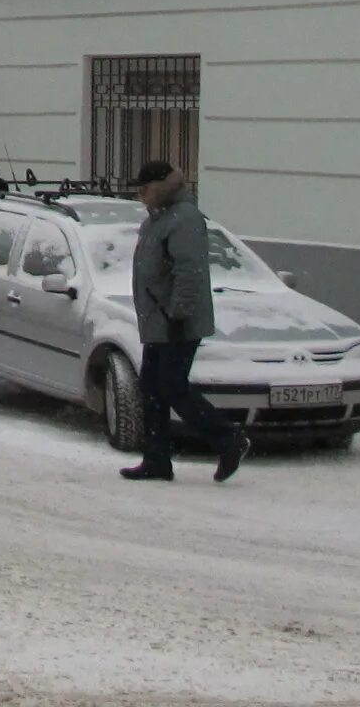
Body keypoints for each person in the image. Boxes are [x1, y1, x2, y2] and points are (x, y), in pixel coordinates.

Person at [123, 157, 246, 484]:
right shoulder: (156, 220)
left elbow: (189, 272)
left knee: (172, 387)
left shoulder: (185, 219)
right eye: (139, 191)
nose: (142, 197)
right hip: (158, 320)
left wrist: (177, 313)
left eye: (145, 189)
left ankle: (228, 439)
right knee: (152, 387)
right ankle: (157, 459)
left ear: (161, 186)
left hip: (177, 320)